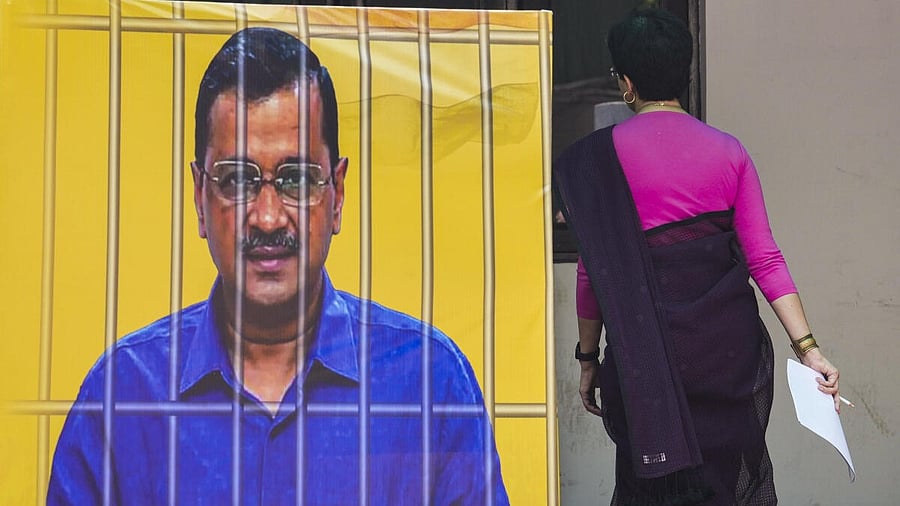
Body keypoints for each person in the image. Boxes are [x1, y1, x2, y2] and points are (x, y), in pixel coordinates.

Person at [48, 27, 508, 505]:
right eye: (236, 179)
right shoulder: (122, 398)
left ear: (337, 194)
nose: (267, 218)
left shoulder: (430, 386)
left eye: (297, 179)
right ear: (200, 198)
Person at [554, 8, 840, 506]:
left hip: (642, 363)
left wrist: (587, 359)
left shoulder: (595, 160)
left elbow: (590, 274)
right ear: (684, 72)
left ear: (626, 82)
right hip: (726, 360)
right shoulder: (729, 152)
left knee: (648, 487)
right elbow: (764, 258)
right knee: (725, 485)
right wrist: (808, 348)